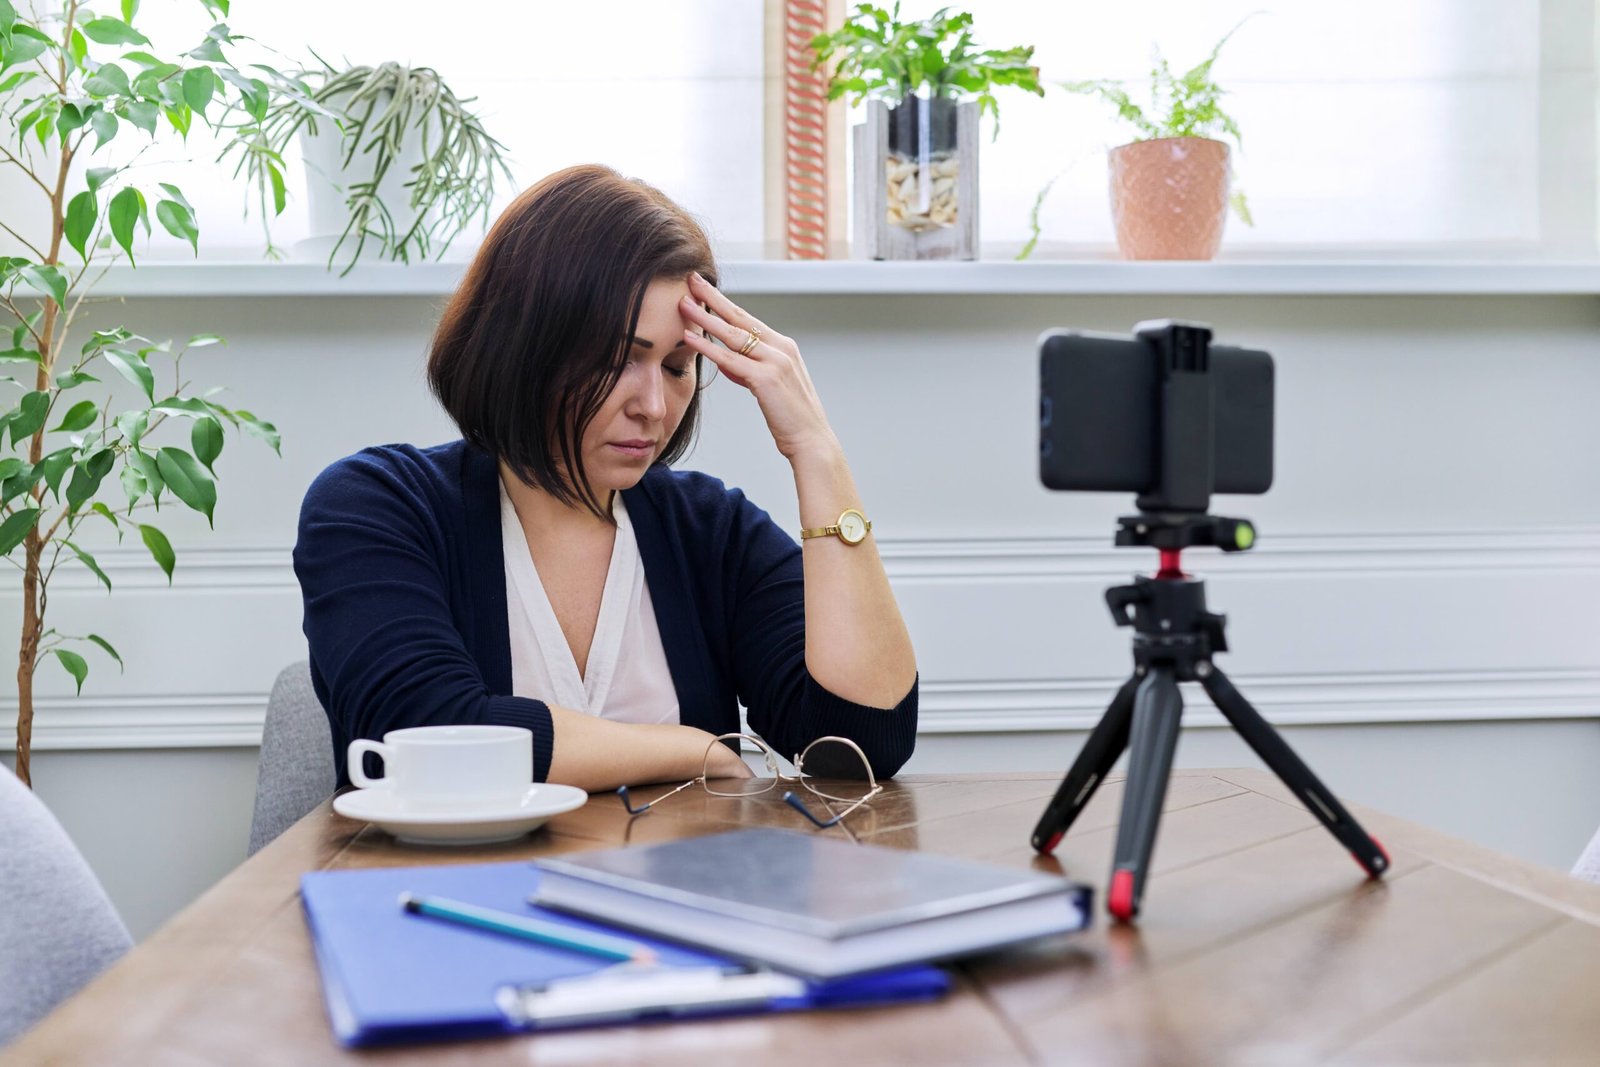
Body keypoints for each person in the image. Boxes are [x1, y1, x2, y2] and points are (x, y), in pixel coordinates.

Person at [293, 164, 919, 793]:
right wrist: (691, 749)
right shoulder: (375, 505)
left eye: (677, 366)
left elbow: (862, 745)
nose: (654, 406)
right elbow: (423, 731)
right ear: (520, 347)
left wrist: (815, 449)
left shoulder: (710, 530)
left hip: (681, 863)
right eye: (619, 359)